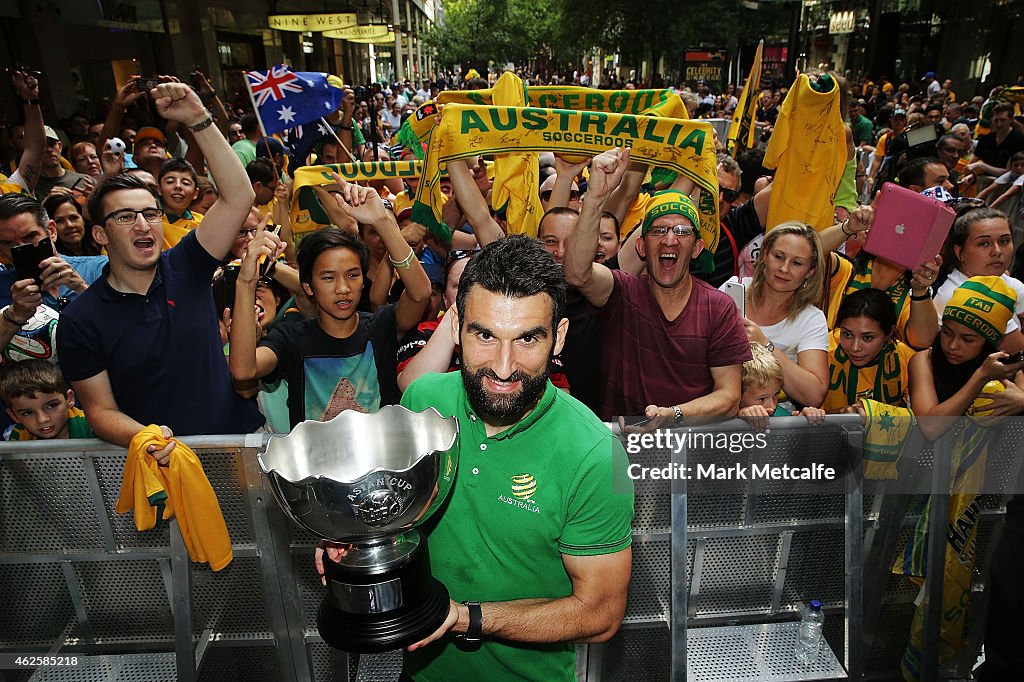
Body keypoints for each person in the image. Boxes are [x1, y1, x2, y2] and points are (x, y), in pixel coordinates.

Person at [319, 235, 634, 681]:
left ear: (558, 338)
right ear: (455, 327)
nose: (503, 367)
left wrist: (466, 617)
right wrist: (354, 540)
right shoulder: (423, 401)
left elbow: (600, 614)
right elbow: (397, 511)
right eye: (484, 334)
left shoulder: (594, 456)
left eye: (528, 339)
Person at [56, 81, 264, 457]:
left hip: (234, 448)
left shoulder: (187, 264)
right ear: (100, 233)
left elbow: (239, 196)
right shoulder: (81, 320)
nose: (142, 224)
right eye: (125, 216)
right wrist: (149, 439)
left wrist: (199, 119)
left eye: (150, 213)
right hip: (158, 467)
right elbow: (100, 410)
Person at [565, 148, 751, 424]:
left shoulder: (719, 307)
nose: (670, 240)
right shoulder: (622, 292)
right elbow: (578, 274)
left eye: (682, 231)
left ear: (698, 248)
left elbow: (729, 396)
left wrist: (673, 415)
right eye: (659, 230)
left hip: (685, 455)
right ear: (641, 246)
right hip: (619, 452)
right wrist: (594, 197)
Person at [228, 179, 430, 427]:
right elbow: (243, 370)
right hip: (316, 465)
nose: (343, 288)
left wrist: (383, 222)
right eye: (328, 277)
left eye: (352, 275)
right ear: (308, 287)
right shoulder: (291, 339)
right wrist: (246, 281)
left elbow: (420, 293)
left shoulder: (381, 326)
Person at [721, 222, 829, 408]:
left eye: (797, 263)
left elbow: (814, 395)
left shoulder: (811, 319)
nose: (784, 269)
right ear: (764, 255)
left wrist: (765, 345)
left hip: (776, 427)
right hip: (723, 415)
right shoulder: (731, 291)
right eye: (779, 257)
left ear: (810, 271)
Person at [910, 276, 1024, 440]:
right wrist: (982, 375)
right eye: (947, 333)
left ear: (988, 343)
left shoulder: (1008, 369)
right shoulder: (924, 360)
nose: (953, 345)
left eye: (967, 339)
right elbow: (930, 428)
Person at [935, 207, 1024, 351]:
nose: (997, 251)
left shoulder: (1004, 280)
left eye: (1004, 241)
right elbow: (1019, 353)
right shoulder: (959, 296)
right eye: (984, 243)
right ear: (959, 252)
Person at [823, 288, 917, 412]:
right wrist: (842, 413)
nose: (855, 347)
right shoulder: (823, 352)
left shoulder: (909, 361)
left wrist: (872, 412)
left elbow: (920, 419)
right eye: (847, 334)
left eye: (867, 338)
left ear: (888, 333)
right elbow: (811, 414)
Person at [0, 359, 94, 440]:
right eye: (27, 413)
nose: (42, 419)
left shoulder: (93, 426)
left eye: (52, 406)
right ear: (13, 416)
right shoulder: (16, 437)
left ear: (69, 399)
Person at [41, 193, 102, 257]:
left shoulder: (99, 247)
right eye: (59, 221)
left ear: (83, 219)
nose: (69, 225)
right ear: (51, 228)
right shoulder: (53, 261)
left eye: (74, 218)